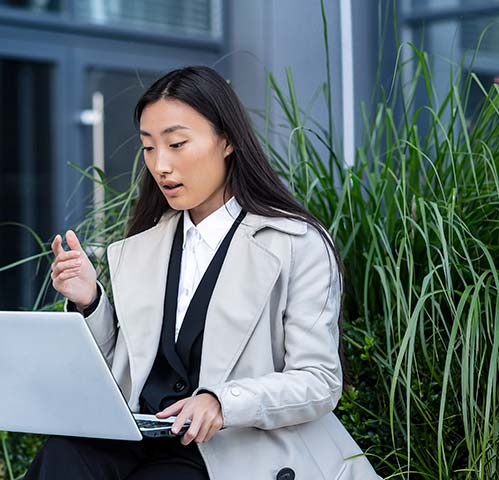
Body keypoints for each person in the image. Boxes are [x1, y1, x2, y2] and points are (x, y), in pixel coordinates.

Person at [24, 65, 379, 480]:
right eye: (149, 148)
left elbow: (319, 381)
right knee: (64, 456)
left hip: (232, 446)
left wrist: (221, 402)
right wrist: (91, 301)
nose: (161, 165)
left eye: (176, 144)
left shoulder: (294, 243)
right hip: (144, 436)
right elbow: (119, 376)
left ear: (226, 140)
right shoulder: (140, 248)